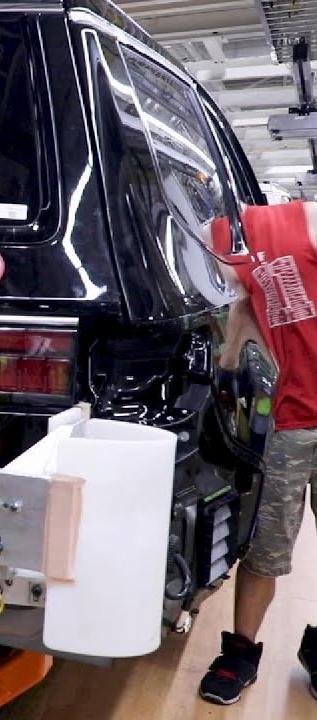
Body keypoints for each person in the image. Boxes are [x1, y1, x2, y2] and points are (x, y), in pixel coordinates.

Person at [199, 199, 317, 706]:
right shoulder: (244, 230)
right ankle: (240, 653)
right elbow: (247, 297)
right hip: (294, 416)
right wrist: (228, 358)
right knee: (267, 545)